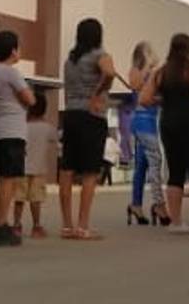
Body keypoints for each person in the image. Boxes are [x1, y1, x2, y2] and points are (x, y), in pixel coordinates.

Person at [141, 33, 189, 233]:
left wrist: (162, 100)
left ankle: (176, 222)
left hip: (169, 124)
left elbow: (144, 99)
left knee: (175, 172)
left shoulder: (161, 73)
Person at [59, 18, 116, 240]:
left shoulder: (70, 60)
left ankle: (67, 226)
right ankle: (83, 226)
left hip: (71, 114)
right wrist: (98, 93)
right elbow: (109, 73)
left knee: (67, 169)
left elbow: (68, 90)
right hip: (92, 116)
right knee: (90, 172)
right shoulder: (100, 55)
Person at [0, 30, 36, 247]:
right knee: (9, 180)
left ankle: (1, 223)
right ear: (13, 51)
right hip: (12, 131)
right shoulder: (11, 73)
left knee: (7, 178)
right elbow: (30, 99)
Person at [127, 41, 167, 226]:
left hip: (146, 120)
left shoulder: (150, 72)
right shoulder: (141, 71)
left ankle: (136, 205)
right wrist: (148, 70)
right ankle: (159, 204)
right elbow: (136, 86)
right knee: (155, 161)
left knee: (142, 165)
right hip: (144, 122)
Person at [14, 94, 56, 238]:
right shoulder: (47, 128)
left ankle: (17, 225)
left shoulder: (21, 127)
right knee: (36, 199)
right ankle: (36, 226)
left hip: (21, 168)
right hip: (39, 169)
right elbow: (56, 138)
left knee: (19, 198)